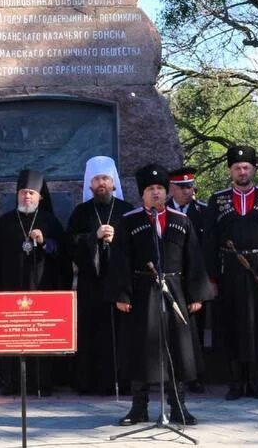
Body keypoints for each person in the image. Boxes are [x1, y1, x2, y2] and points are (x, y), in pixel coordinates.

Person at [109, 164, 210, 427]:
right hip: (142, 294)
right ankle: (138, 407)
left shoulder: (182, 220)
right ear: (142, 194)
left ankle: (178, 407)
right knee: (140, 349)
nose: (155, 193)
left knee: (177, 349)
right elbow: (120, 262)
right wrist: (122, 294)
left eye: (160, 188)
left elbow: (194, 261)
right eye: (150, 189)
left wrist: (196, 294)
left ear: (167, 192)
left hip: (175, 292)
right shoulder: (129, 222)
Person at [203, 144, 258, 400]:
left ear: (253, 169)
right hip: (229, 270)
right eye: (237, 167)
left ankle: (257, 381)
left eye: (246, 167)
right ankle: (235, 382)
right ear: (231, 170)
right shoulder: (216, 200)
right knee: (232, 325)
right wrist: (211, 279)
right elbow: (209, 241)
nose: (242, 171)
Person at [0, 168, 69, 395]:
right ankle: (10, 382)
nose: (27, 197)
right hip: (10, 288)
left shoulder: (50, 221)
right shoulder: (5, 222)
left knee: (38, 335)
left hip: (41, 287)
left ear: (40, 197)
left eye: (31, 193)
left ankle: (41, 383)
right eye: (23, 192)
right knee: (11, 335)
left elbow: (61, 253)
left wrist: (44, 242)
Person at [67, 155, 132, 395]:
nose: (101, 183)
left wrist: (117, 240)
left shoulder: (126, 211)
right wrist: (92, 238)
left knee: (120, 333)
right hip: (91, 284)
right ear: (90, 185)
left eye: (105, 178)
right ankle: (89, 382)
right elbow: (69, 244)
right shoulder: (81, 212)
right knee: (91, 331)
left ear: (114, 183)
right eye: (96, 180)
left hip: (118, 283)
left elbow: (136, 245)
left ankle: (122, 381)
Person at [167, 166, 213, 390]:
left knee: (195, 330)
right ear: (171, 189)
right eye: (182, 187)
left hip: (194, 280)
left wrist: (202, 288)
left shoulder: (205, 212)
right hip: (170, 280)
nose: (188, 191)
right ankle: (170, 375)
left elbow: (209, 251)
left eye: (190, 186)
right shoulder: (160, 211)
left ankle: (194, 377)